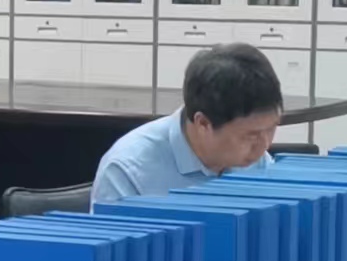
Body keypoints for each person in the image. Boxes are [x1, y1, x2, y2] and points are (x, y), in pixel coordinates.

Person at [90, 43, 283, 203]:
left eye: (271, 129)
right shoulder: (128, 171)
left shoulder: (257, 161)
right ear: (203, 124)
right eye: (250, 136)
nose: (264, 146)